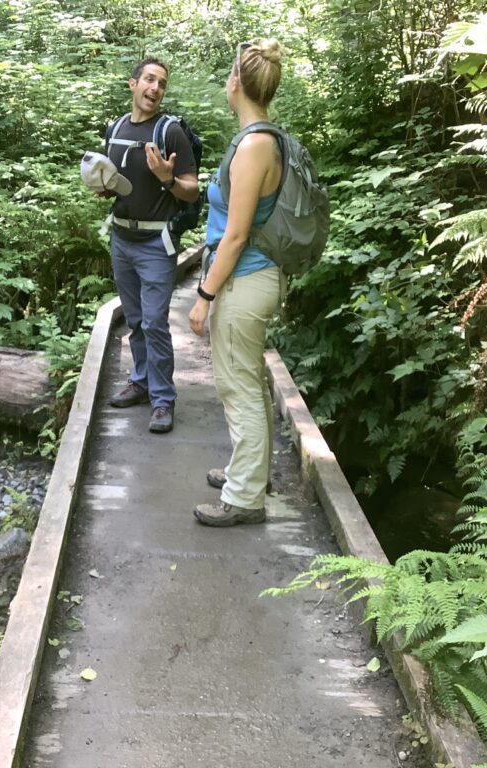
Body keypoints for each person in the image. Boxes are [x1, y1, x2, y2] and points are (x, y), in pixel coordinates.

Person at [188, 40, 285, 526]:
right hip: (255, 277)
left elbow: (236, 234)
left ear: (235, 83)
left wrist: (204, 296)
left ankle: (244, 498)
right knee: (247, 381)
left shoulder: (254, 145)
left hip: (245, 280)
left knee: (237, 386)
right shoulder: (263, 137)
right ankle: (250, 473)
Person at [102, 58, 199, 434]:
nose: (155, 88)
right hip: (121, 238)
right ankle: (140, 382)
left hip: (156, 244)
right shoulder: (116, 128)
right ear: (133, 84)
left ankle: (163, 400)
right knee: (135, 319)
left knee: (155, 322)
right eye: (149, 80)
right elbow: (114, 181)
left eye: (161, 83)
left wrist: (168, 178)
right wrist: (103, 188)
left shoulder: (170, 132)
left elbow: (191, 191)